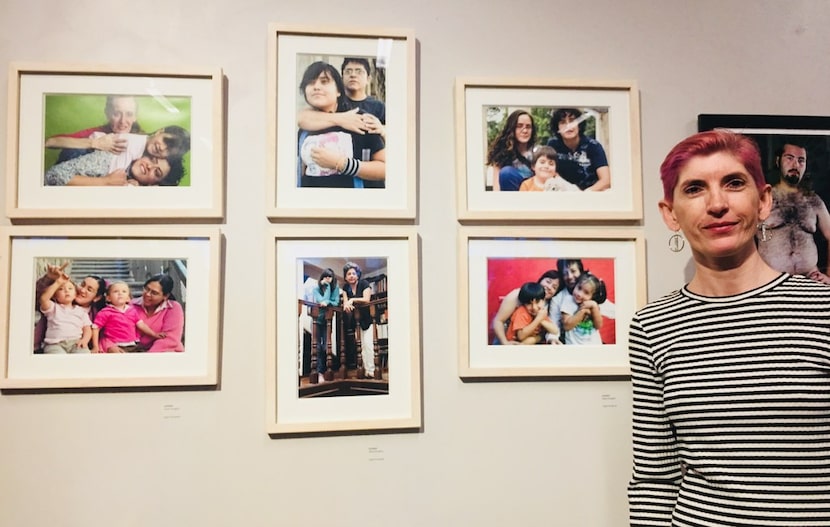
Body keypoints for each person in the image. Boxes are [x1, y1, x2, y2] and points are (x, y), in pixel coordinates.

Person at [628, 129, 830, 526]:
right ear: (670, 213)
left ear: (763, 201)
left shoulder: (822, 309)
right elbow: (654, 479)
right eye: (695, 189)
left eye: (734, 184)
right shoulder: (652, 326)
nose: (717, 203)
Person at [296, 61, 385, 189]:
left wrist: (342, 164)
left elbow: (384, 169)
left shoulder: (359, 119)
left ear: (339, 90)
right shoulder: (306, 125)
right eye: (310, 83)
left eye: (324, 81)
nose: (316, 87)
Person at [757, 141, 830, 283]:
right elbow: (743, 237)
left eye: (801, 160)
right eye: (789, 158)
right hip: (771, 282)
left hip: (811, 280)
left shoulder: (813, 200)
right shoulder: (763, 198)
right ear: (778, 161)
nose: (795, 165)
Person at [44, 126, 189, 187]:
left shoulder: (131, 179)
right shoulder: (116, 151)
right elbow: (53, 176)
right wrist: (106, 182)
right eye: (152, 160)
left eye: (157, 173)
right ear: (160, 131)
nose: (162, 147)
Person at [44, 95, 143, 163]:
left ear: (135, 116)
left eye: (129, 114)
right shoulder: (98, 133)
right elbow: (50, 142)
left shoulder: (144, 141)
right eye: (117, 114)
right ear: (107, 114)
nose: (123, 121)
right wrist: (95, 143)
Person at [34, 262, 106, 353]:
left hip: (76, 345)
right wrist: (50, 278)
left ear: (97, 297)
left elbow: (91, 331)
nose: (82, 290)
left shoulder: (97, 314)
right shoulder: (56, 305)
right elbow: (39, 297)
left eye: (89, 289)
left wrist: (87, 342)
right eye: (82, 285)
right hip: (53, 344)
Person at [546, 108, 610, 191]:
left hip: (591, 195)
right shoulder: (552, 145)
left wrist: (585, 195)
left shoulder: (593, 146)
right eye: (563, 122)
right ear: (557, 127)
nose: (568, 125)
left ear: (579, 124)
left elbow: (606, 180)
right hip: (563, 194)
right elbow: (547, 172)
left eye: (572, 121)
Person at [492, 269, 561, 345]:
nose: (549, 287)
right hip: (505, 340)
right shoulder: (517, 296)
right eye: (548, 282)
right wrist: (504, 342)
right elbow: (498, 321)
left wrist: (538, 336)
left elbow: (554, 330)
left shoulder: (547, 306)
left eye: (554, 287)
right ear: (541, 280)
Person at [91, 281, 162, 353]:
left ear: (128, 298)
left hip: (132, 344)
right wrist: (95, 346)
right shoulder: (105, 312)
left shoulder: (132, 311)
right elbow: (95, 328)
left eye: (124, 291)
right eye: (116, 291)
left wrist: (154, 334)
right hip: (115, 345)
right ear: (108, 298)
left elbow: (141, 325)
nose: (120, 293)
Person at [38, 274, 92, 354]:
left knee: (84, 357)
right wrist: (57, 283)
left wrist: (84, 340)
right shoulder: (53, 308)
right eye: (61, 289)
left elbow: (87, 329)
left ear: (75, 295)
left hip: (76, 343)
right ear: (55, 296)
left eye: (70, 288)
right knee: (59, 360)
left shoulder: (81, 311)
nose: (66, 291)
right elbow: (43, 299)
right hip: (55, 344)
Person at [130, 274, 185, 353]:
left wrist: (148, 358)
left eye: (154, 293)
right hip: (135, 352)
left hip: (163, 353)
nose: (147, 294)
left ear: (165, 296)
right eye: (146, 289)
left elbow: (170, 339)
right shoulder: (130, 306)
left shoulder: (173, 308)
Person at [341, 262, 376, 379]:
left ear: (357, 275)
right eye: (348, 274)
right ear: (345, 277)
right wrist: (347, 304)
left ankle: (371, 371)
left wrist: (352, 300)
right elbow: (346, 302)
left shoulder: (364, 283)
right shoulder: (345, 288)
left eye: (353, 273)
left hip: (368, 319)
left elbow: (367, 299)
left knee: (369, 345)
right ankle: (365, 370)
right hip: (356, 322)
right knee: (361, 347)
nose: (351, 276)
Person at [485, 110, 535, 191]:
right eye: (519, 126)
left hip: (533, 196)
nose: (525, 131)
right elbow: (497, 188)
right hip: (511, 199)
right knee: (507, 173)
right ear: (512, 128)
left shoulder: (538, 152)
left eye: (528, 127)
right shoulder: (501, 154)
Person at [560, 272, 605, 345]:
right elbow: (566, 326)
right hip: (574, 346)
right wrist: (583, 311)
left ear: (592, 297)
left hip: (595, 345)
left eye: (586, 293)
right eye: (579, 288)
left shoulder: (593, 305)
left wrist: (594, 307)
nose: (579, 294)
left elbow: (598, 326)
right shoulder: (568, 300)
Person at [312, 268, 341, 379]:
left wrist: (328, 300)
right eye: (325, 276)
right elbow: (321, 301)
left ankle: (326, 371)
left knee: (326, 346)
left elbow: (336, 302)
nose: (327, 279)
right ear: (322, 278)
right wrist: (327, 291)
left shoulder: (336, 288)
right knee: (318, 347)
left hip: (327, 320)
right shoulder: (316, 289)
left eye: (330, 277)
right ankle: (320, 372)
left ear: (333, 278)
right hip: (317, 320)